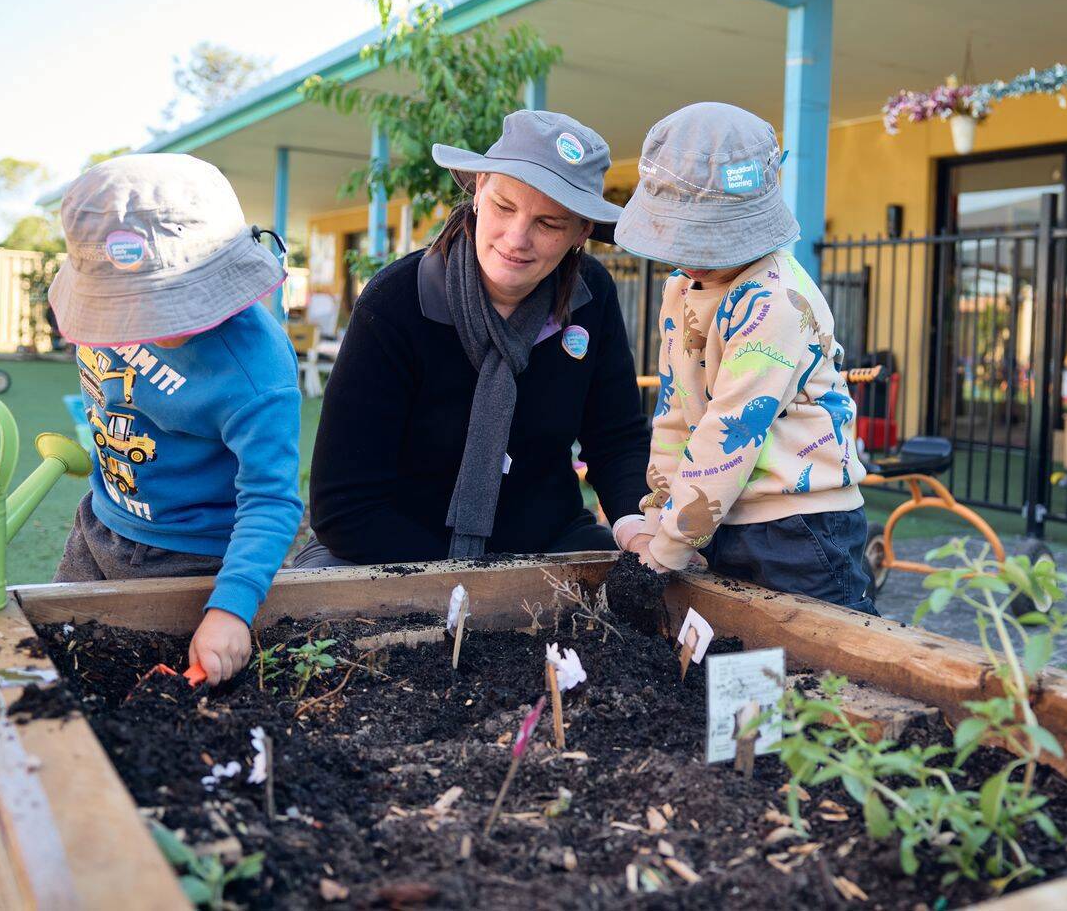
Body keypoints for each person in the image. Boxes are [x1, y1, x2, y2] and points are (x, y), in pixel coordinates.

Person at [298, 110, 650, 566]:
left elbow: (615, 436)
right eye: (504, 206)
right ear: (479, 188)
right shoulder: (394, 303)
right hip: (390, 544)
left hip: (545, 539)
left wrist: (634, 523)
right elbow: (344, 508)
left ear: (582, 232)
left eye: (548, 224)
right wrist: (473, 581)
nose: (516, 238)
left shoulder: (591, 295)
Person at [49, 154, 302, 685]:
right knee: (60, 677)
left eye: (168, 304)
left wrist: (229, 608)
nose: (146, 325)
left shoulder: (254, 369)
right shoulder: (104, 303)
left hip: (195, 563)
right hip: (98, 524)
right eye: (130, 309)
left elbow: (271, 499)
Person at [613, 102, 876, 613]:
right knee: (744, 661)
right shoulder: (680, 290)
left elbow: (728, 433)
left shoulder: (775, 301)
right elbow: (676, 412)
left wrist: (665, 550)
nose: (687, 253)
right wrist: (657, 516)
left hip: (801, 523)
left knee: (823, 664)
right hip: (726, 511)